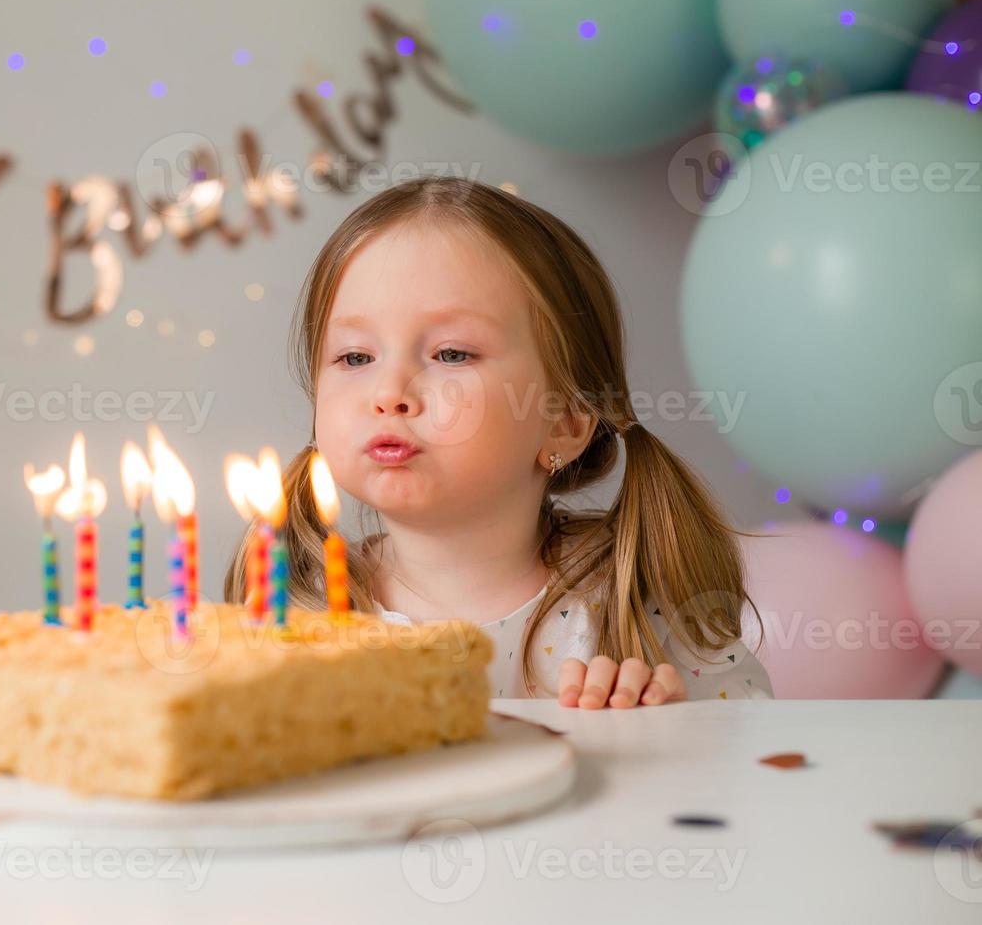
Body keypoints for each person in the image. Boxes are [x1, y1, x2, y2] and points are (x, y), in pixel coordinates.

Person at [223, 177, 772, 707]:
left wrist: (672, 727)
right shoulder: (295, 613)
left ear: (566, 421)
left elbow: (751, 757)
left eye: (452, 354)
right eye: (356, 358)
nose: (388, 394)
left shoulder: (636, 614)